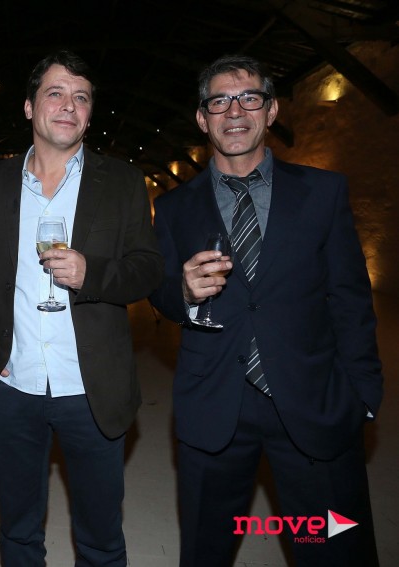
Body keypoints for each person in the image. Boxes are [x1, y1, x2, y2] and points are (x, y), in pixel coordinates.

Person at [149, 54, 382, 566]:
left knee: (334, 549)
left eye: (249, 98)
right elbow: (159, 292)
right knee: (206, 552)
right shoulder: (174, 208)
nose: (234, 111)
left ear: (271, 110)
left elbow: (350, 298)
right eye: (219, 102)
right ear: (202, 118)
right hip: (214, 406)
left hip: (312, 399)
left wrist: (363, 394)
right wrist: (182, 292)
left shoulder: (323, 192)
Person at [0, 51, 164, 566]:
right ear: (29, 107)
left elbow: (147, 269)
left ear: (89, 115)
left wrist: (93, 274)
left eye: (81, 97)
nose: (69, 105)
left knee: (100, 537)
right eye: (55, 93)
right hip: (13, 384)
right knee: (19, 531)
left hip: (90, 388)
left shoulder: (122, 182)